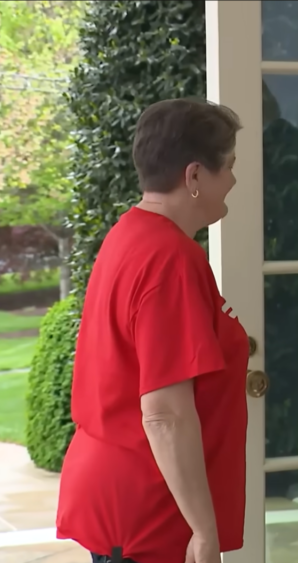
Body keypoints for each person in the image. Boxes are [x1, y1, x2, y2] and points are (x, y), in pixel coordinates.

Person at [56, 98, 249, 563]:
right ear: (195, 176)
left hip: (125, 494)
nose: (235, 181)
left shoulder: (130, 234)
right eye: (229, 167)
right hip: (150, 509)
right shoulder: (170, 260)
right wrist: (204, 531)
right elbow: (164, 414)